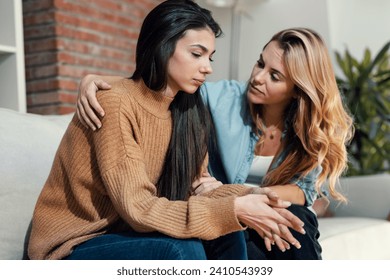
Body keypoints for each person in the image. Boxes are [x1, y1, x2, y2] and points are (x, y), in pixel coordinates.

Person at [28, 0, 305, 260]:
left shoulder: (188, 110)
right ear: (163, 45)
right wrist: (232, 208)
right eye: (197, 54)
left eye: (210, 57)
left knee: (230, 233)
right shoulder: (114, 102)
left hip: (126, 234)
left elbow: (198, 186)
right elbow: (137, 208)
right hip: (74, 243)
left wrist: (249, 197)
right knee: (180, 250)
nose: (207, 68)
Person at [76, 27, 354, 260]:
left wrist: (252, 194)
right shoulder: (222, 99)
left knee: (296, 220)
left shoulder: (308, 130)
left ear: (297, 90)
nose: (258, 77)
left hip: (252, 209)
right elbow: (166, 90)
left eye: (275, 76)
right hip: (220, 212)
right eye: (260, 63)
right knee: (285, 227)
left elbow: (303, 191)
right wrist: (97, 80)